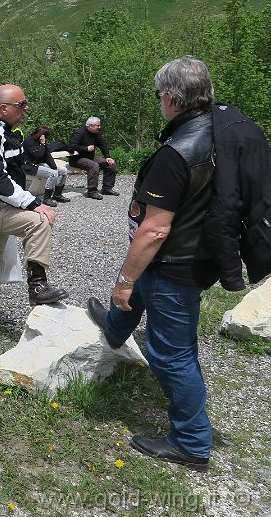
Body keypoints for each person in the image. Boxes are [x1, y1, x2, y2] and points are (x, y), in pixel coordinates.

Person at [87, 57, 220, 472]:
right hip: (196, 250)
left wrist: (123, 281)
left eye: (158, 95)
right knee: (140, 290)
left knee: (172, 355)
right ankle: (113, 329)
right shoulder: (223, 130)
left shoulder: (178, 152)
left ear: (169, 97)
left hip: (176, 261)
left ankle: (193, 443)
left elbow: (153, 231)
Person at [0, 84, 68, 335]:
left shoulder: (7, 131)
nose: (26, 109)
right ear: (3, 108)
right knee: (39, 222)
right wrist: (33, 203)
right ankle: (38, 287)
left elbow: (17, 169)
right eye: (22, 104)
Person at [68, 116, 118, 200]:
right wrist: (85, 148)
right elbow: (71, 146)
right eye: (97, 125)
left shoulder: (95, 134)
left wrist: (107, 157)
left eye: (99, 125)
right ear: (90, 126)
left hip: (90, 157)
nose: (99, 127)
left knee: (110, 164)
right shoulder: (80, 133)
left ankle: (107, 188)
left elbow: (102, 145)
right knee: (94, 165)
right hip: (76, 159)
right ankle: (92, 192)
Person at [24, 126, 70, 205]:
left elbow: (47, 155)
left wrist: (54, 167)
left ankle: (57, 195)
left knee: (63, 171)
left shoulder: (40, 142)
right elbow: (38, 155)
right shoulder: (29, 141)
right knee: (53, 174)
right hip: (30, 166)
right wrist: (43, 144)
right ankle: (47, 198)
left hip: (40, 165)